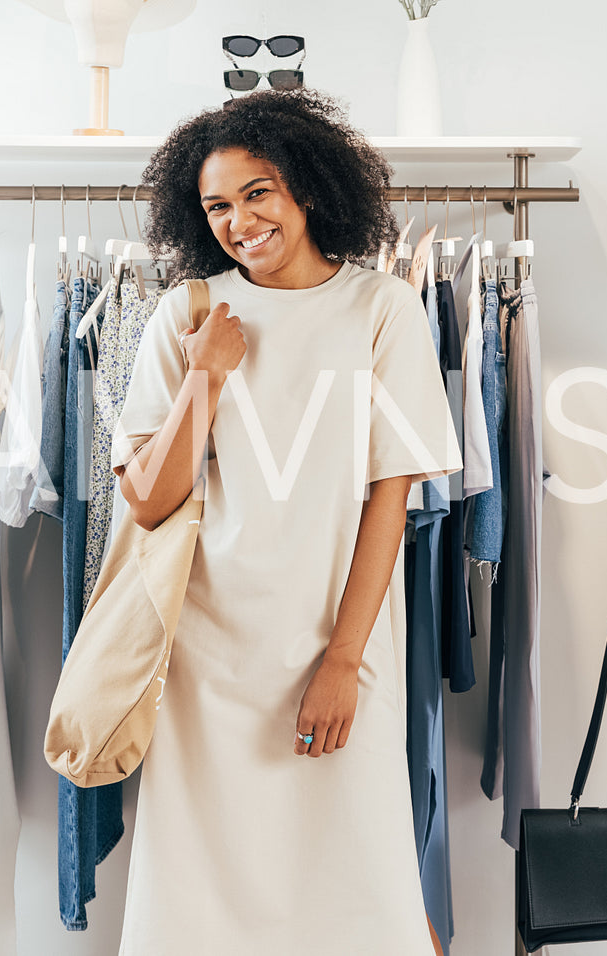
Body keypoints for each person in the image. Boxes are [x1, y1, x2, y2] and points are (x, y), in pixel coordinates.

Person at [110, 89, 461, 955]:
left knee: (362, 882)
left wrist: (343, 659)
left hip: (336, 642)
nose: (239, 221)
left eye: (257, 192)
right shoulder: (187, 313)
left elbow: (392, 496)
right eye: (217, 206)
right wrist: (205, 377)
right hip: (206, 658)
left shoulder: (382, 307)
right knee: (198, 896)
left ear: (305, 186)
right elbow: (148, 498)